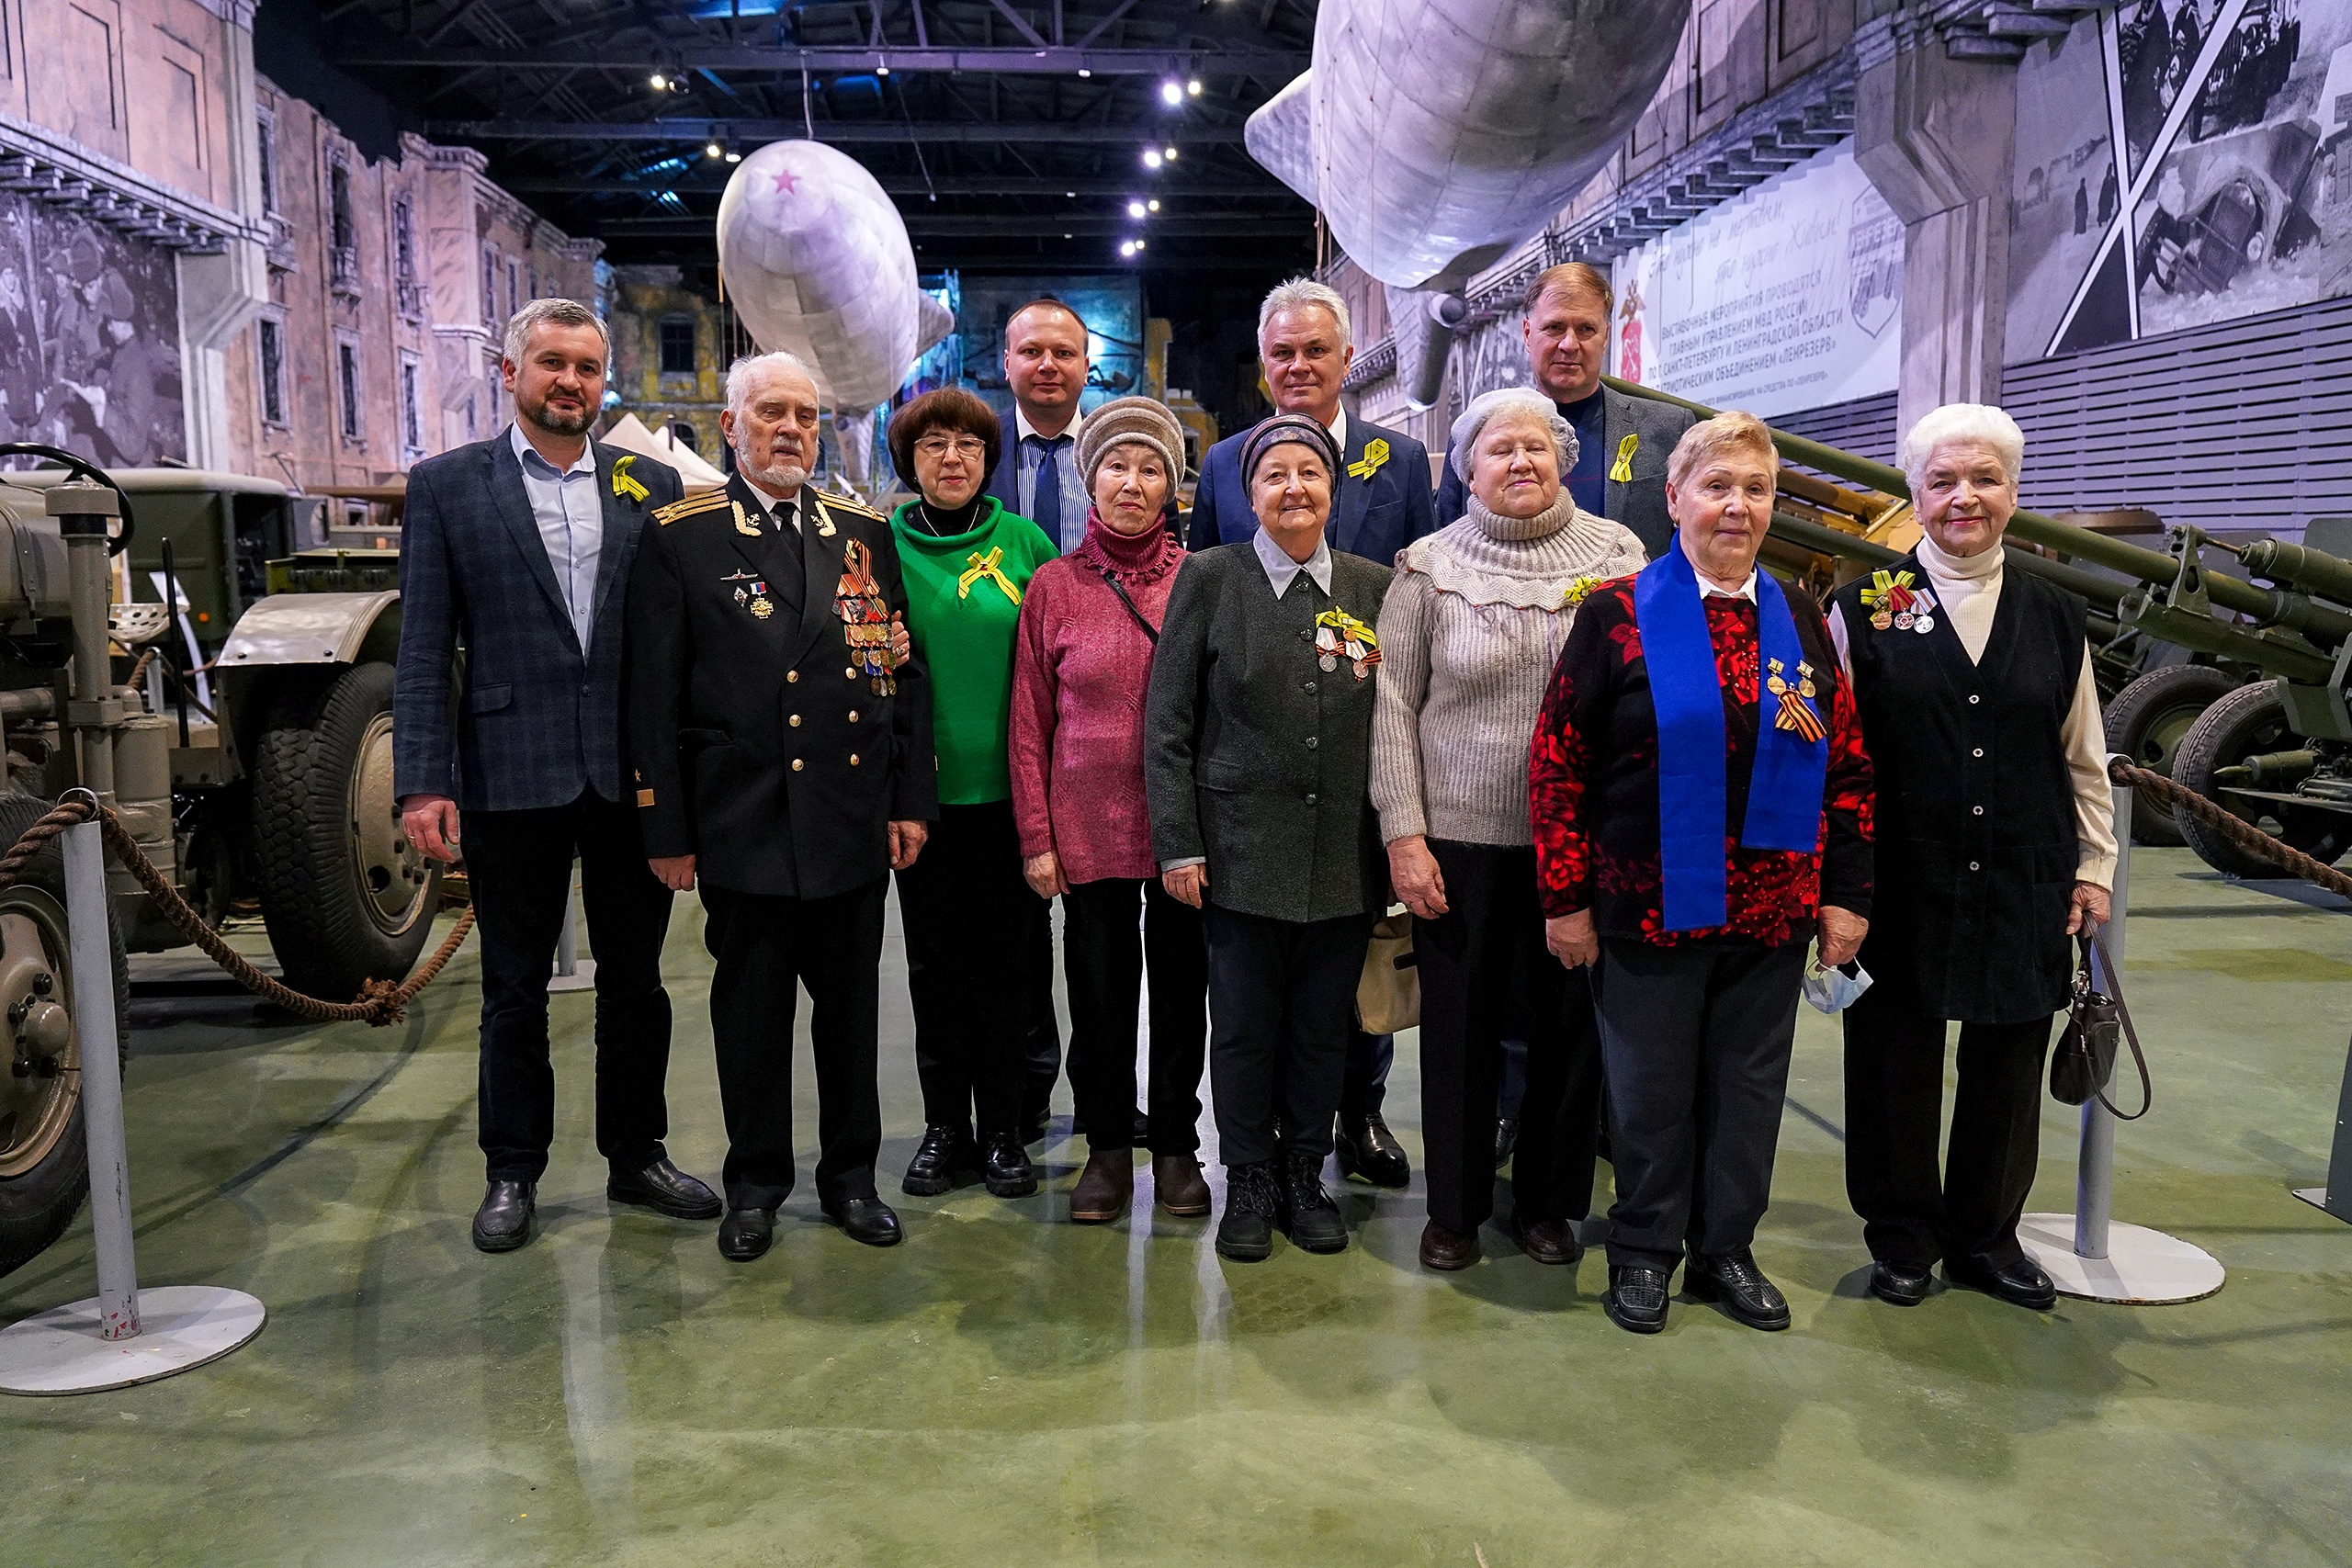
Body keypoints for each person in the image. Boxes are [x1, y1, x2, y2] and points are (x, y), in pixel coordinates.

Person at [1530, 411, 1873, 1335]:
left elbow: (1844, 762)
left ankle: (1725, 1249)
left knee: (1746, 1096)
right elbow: (1557, 761)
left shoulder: (1799, 618)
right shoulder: (1616, 614)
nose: (1736, 506)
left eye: (1755, 490)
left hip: (1769, 916)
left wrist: (1847, 893)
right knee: (1647, 1098)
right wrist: (1565, 899)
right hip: (1647, 910)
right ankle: (1642, 1252)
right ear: (1673, 496)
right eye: (1716, 486)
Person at [393, 298, 718, 1256]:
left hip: (629, 779)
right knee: (512, 991)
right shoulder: (449, 487)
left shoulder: (650, 484)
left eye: (586, 366)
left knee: (637, 984)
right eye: (550, 364)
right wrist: (421, 780)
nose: (569, 381)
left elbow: (682, 642)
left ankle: (637, 1155)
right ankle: (512, 1173)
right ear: (510, 372)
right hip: (508, 770)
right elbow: (423, 648)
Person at [627, 349, 934, 1261]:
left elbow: (894, 672)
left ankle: (850, 1180)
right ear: (731, 427)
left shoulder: (859, 532)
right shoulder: (680, 536)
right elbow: (653, 697)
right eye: (770, 413)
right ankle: (754, 1186)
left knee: (851, 1023)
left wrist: (906, 800)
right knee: (751, 1023)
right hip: (743, 824)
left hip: (844, 820)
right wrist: (665, 827)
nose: (790, 429)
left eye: (803, 414)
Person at [1829, 404, 2117, 1312]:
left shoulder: (2056, 615)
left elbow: (2083, 753)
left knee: (2005, 1061)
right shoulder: (1859, 609)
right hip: (1899, 879)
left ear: (2012, 490)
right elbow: (1837, 762)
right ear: (1912, 494)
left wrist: (2094, 865)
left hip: (2024, 874)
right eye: (1943, 480)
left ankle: (1987, 1238)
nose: (1964, 498)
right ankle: (1902, 1239)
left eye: (1984, 478)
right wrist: (1836, 883)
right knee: (1891, 1063)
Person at [1371, 389, 1647, 1273]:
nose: (1520, 462)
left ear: (1564, 458)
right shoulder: (1425, 567)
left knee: (1571, 1028)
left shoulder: (1620, 558)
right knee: (1460, 1029)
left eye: (1537, 446)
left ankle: (1549, 1202)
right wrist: (1404, 835)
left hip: (1581, 845)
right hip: (1457, 842)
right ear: (1468, 468)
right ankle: (1453, 1208)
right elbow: (1392, 707)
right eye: (1499, 449)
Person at [1185, 276, 1436, 1190]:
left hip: (1358, 748)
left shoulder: (1400, 463)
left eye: (1314, 351)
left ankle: (1358, 1115)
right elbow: (1217, 602)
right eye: (1281, 353)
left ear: (1343, 363)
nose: (1297, 367)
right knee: (1259, 999)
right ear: (1265, 365)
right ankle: (1265, 1159)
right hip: (1256, 766)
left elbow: (1410, 602)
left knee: (1357, 958)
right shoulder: (1224, 464)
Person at [1146, 414, 1393, 1263]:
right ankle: (1246, 1173)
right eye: (1274, 475)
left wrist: (1397, 841)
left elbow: (1395, 728)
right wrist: (1178, 843)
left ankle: (1302, 1172)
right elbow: (1169, 721)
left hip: (1342, 854)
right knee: (1245, 1027)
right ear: (1247, 494)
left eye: (1309, 474)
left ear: (1334, 489)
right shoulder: (1210, 577)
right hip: (1238, 853)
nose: (1293, 488)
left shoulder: (1373, 586)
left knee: (1324, 1028)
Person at [1012, 397, 1211, 1225]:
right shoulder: (1055, 586)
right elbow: (1029, 720)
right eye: (1117, 466)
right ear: (1090, 479)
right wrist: (1036, 837)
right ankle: (1103, 1148)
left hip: (1180, 830)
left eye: (1151, 467)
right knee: (1096, 992)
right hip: (1085, 825)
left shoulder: (1201, 579)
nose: (1133, 482)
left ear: (1172, 486)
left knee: (1179, 987)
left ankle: (1173, 1145)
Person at [884, 389, 1059, 1201]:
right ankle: (943, 1125)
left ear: (990, 459)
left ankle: (1003, 1132)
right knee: (933, 969)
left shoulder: (1027, 545)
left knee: (1008, 971)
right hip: (921, 805)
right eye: (932, 445)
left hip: (1014, 802)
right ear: (909, 460)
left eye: (967, 444)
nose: (950, 457)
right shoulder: (880, 548)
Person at [983, 298, 1089, 1135]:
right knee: (1013, 935)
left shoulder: (1126, 455)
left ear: (1088, 365)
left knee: (1101, 940)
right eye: (1032, 351)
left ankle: (1103, 1096)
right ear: (1005, 362)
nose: (1047, 365)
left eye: (1064, 351)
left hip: (1099, 730)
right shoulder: (972, 457)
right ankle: (1019, 1094)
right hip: (997, 729)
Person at [1433, 264, 1696, 559]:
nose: (1569, 345)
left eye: (1586, 329)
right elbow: (1446, 542)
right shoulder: (1475, 435)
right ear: (1528, 333)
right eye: (1555, 327)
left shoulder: (1668, 429)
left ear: (1606, 336)